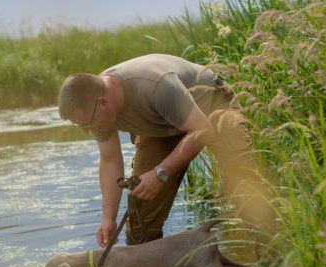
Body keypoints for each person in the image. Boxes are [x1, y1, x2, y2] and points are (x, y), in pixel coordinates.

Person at [58, 54, 276, 255]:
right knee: (141, 216)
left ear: (103, 103)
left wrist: (161, 173)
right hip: (160, 126)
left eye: (87, 124)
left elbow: (202, 130)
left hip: (212, 106)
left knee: (246, 187)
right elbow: (109, 159)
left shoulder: (155, 86)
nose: (87, 130)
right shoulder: (93, 106)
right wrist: (108, 218)